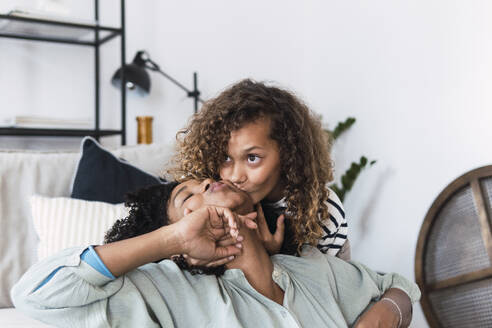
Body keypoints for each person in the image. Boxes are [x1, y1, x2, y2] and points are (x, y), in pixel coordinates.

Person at [12, 179, 420, 327]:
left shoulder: (312, 268)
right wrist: (171, 241)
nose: (206, 183)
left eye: (205, 179)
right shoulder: (162, 290)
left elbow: (397, 287)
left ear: (254, 210)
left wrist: (386, 316)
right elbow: (35, 295)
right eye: (185, 197)